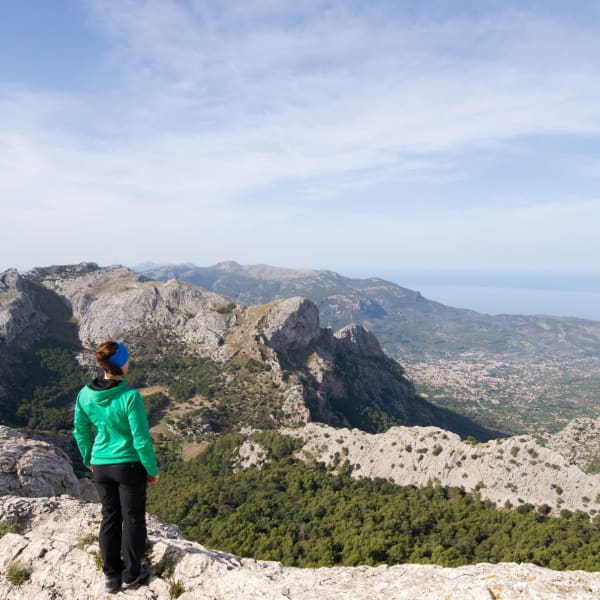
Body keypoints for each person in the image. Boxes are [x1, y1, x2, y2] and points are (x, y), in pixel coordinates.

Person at [74, 340, 159, 594]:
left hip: (100, 465)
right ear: (122, 364)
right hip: (129, 466)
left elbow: (81, 432)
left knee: (109, 517)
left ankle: (111, 576)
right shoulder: (130, 397)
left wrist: (88, 458)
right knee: (133, 519)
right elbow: (141, 438)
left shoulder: (85, 394)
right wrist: (151, 469)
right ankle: (132, 574)